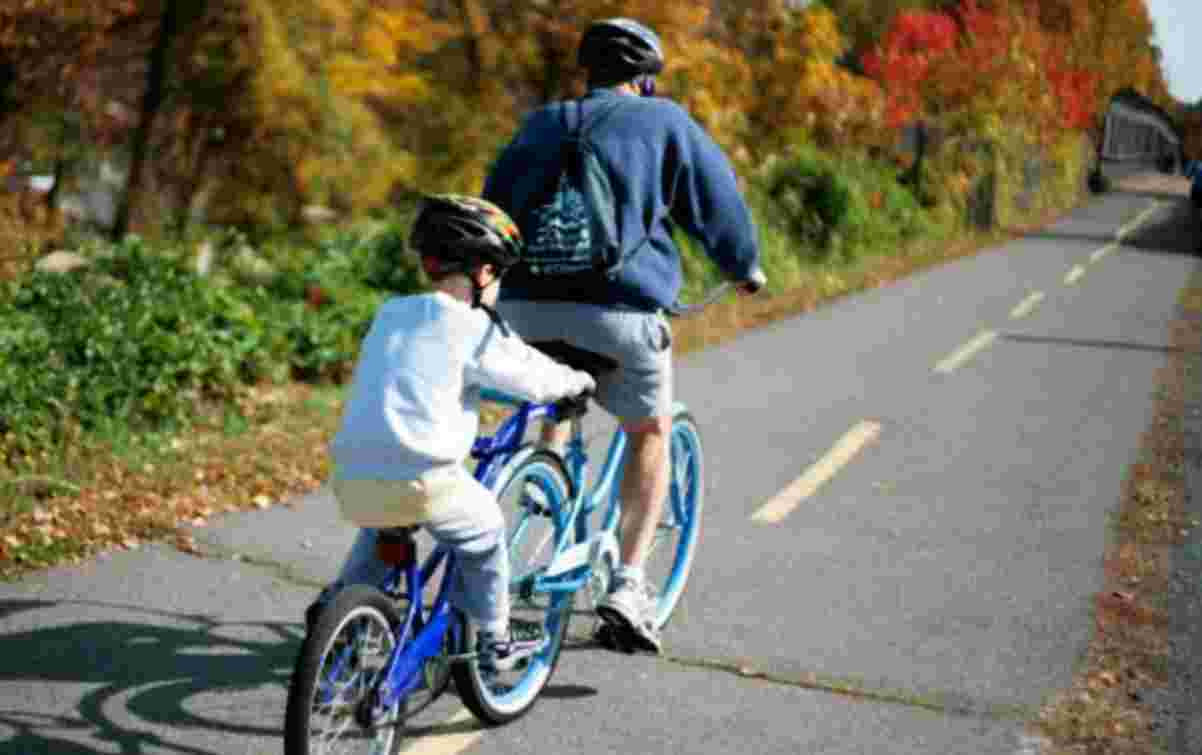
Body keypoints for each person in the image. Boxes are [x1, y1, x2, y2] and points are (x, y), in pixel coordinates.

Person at [483, 18, 764, 654]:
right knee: (650, 431)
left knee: (554, 394)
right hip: (618, 313)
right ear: (645, 76)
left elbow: (492, 206)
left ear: (587, 72)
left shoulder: (540, 123)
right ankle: (631, 585)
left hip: (524, 310)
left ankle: (540, 481)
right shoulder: (665, 122)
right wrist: (743, 266)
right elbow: (717, 206)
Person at [309, 195, 595, 672]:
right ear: (484, 272)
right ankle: (496, 639)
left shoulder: (391, 313)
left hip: (352, 476)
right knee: (486, 532)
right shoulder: (470, 326)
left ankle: (341, 612)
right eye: (499, 274)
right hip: (425, 480)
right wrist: (576, 381)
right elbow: (531, 377)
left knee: (386, 523)